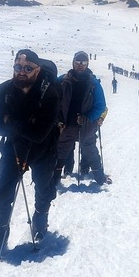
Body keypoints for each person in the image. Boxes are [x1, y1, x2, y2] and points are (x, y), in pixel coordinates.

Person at [0, 49, 60, 254]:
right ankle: (0, 230)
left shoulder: (50, 94)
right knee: (3, 191)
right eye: (18, 67)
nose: (22, 71)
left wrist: (10, 121)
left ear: (38, 70)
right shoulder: (4, 90)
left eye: (28, 68)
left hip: (44, 149)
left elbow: (39, 135)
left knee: (43, 187)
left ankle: (40, 216)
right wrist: (27, 125)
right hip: (14, 147)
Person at [55, 51, 110, 186]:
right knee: (61, 151)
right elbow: (53, 99)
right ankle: (54, 179)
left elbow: (100, 105)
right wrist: (58, 118)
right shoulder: (62, 80)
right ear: (73, 62)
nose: (80, 64)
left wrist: (88, 117)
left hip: (87, 125)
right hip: (67, 124)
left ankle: (100, 178)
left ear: (87, 64)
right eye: (78, 61)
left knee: (90, 151)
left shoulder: (94, 83)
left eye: (83, 62)